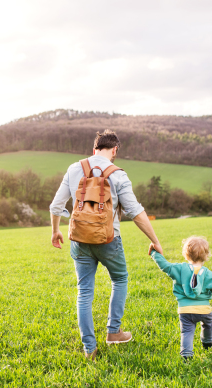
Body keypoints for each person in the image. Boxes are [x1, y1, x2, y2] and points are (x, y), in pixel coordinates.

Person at [49, 129, 163, 360]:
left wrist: (55, 231)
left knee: (84, 292)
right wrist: (155, 240)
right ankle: (113, 331)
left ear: (94, 149)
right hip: (109, 240)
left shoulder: (74, 169)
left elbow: (55, 206)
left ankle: (89, 348)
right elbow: (136, 212)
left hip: (79, 240)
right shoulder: (118, 174)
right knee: (119, 279)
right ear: (114, 150)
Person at [148, 236, 212, 360]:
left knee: (187, 332)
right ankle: (207, 341)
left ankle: (186, 355)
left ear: (186, 255)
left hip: (185, 310)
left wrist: (154, 253)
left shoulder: (179, 269)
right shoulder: (208, 274)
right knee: (208, 324)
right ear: (206, 255)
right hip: (204, 310)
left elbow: (165, 266)